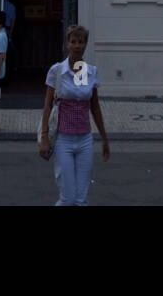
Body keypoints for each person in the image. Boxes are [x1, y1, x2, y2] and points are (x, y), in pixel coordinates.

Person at [39, 25, 110, 206]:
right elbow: (47, 106)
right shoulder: (57, 71)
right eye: (73, 42)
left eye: (81, 42)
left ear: (86, 45)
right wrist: (45, 138)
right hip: (64, 140)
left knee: (81, 199)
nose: (77, 46)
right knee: (68, 196)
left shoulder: (90, 72)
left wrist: (104, 138)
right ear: (67, 44)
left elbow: (94, 107)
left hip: (85, 139)